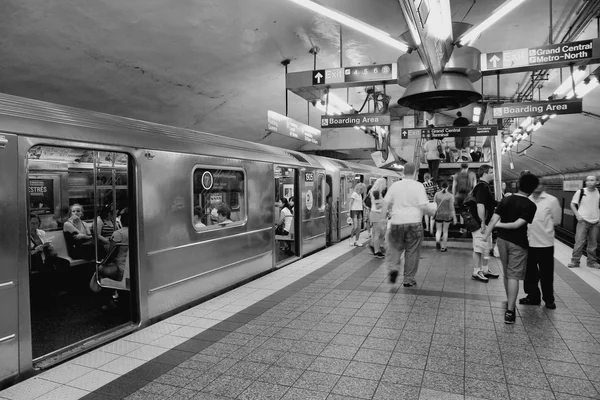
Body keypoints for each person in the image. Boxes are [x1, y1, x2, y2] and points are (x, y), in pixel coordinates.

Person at [483, 173, 539, 324]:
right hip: (518, 243)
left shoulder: (505, 200)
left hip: (502, 240)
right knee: (514, 275)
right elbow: (517, 225)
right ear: (533, 189)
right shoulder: (531, 205)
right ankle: (510, 310)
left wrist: (486, 235)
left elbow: (493, 219)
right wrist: (497, 226)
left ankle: (510, 301)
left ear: (518, 185)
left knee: (507, 273)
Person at [383, 163, 436, 287]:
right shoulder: (418, 186)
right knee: (412, 252)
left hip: (396, 223)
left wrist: (382, 220)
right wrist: (433, 212)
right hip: (414, 223)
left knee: (395, 249)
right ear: (415, 173)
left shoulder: (395, 185)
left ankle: (393, 269)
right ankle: (408, 279)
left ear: (403, 172)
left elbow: (386, 203)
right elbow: (423, 206)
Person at [520, 180, 561, 309]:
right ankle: (533, 297)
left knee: (546, 274)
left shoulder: (552, 200)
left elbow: (557, 220)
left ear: (544, 186)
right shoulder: (527, 199)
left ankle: (549, 300)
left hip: (545, 244)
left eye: (539, 184)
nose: (537, 186)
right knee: (530, 274)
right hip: (529, 243)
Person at [470, 165, 500, 283]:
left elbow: (489, 203)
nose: (493, 174)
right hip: (480, 224)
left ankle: (485, 270)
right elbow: (480, 205)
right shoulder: (482, 186)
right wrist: (482, 222)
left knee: (486, 247)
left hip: (486, 223)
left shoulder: (485, 186)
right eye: (491, 172)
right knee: (478, 248)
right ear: (485, 173)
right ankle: (476, 272)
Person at [568, 175, 600, 269]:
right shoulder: (581, 192)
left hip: (596, 222)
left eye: (592, 180)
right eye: (588, 180)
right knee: (579, 242)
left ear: (597, 182)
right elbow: (572, 204)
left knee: (593, 244)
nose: (589, 182)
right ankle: (575, 261)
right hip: (583, 221)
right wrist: (578, 215)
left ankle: (591, 262)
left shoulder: (599, 193)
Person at [99, 208, 129, 282]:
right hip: (137, 268)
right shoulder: (140, 232)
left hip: (121, 268)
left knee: (99, 267)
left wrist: (103, 262)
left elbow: (111, 254)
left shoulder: (118, 234)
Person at [434, 181, 457, 252]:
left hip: (438, 214)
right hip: (447, 215)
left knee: (438, 230)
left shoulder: (437, 194)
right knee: (445, 231)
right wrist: (455, 217)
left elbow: (434, 204)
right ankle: (444, 247)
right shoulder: (450, 196)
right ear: (448, 187)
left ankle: (437, 240)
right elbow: (451, 208)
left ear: (441, 187)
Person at [369, 178, 387, 259]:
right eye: (384, 184)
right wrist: (386, 203)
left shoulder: (378, 192)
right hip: (376, 214)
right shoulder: (376, 192)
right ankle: (377, 251)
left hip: (378, 214)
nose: (385, 186)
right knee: (378, 233)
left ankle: (375, 246)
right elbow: (378, 205)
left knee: (381, 233)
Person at [349, 182, 366, 247]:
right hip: (354, 211)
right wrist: (349, 212)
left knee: (359, 227)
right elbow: (350, 203)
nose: (363, 191)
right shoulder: (354, 194)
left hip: (359, 211)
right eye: (363, 189)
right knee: (355, 226)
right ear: (360, 189)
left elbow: (360, 203)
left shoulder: (360, 195)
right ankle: (351, 239)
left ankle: (357, 241)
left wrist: (365, 207)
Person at [422, 172, 437, 237]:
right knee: (432, 216)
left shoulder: (423, 185)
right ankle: (431, 230)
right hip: (433, 201)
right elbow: (438, 192)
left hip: (426, 202)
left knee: (426, 215)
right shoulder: (434, 184)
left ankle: (427, 228)